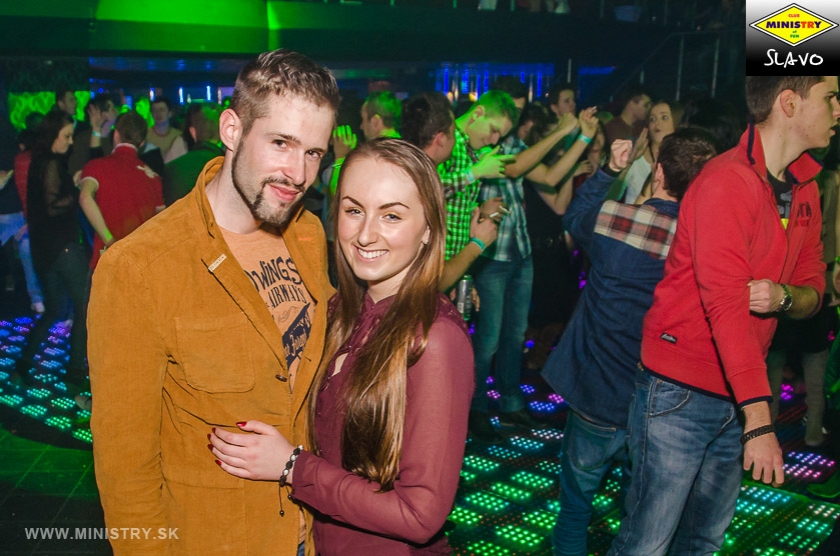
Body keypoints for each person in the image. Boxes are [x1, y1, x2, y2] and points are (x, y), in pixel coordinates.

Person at [88, 49, 339, 555]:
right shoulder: (138, 269)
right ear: (231, 130)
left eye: (314, 153)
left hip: (309, 532)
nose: (298, 173)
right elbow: (125, 474)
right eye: (281, 143)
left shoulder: (307, 234)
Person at [608, 75, 839, 555]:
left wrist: (783, 297)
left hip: (738, 391)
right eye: (830, 97)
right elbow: (727, 307)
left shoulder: (806, 187)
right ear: (789, 103)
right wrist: (760, 420)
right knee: (647, 543)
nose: (839, 110)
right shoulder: (726, 181)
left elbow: (815, 288)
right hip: (680, 392)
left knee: (702, 542)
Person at [210, 138, 474, 555]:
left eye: (391, 215)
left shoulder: (434, 338)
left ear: (428, 229)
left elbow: (420, 515)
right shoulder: (340, 310)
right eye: (354, 211)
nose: (366, 234)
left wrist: (292, 467)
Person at [544, 128, 718, 556]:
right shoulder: (704, 245)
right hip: (657, 402)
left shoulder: (615, 220)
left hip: (595, 390)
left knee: (575, 506)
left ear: (658, 172)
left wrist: (609, 170)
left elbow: (573, 215)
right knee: (638, 513)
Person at [14, 111, 90, 389]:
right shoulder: (51, 163)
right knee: (84, 309)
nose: (70, 142)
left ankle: (23, 366)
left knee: (53, 309)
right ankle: (75, 372)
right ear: (52, 136)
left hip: (44, 250)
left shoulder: (39, 161)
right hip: (63, 248)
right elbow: (52, 206)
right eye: (66, 136)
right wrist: (77, 190)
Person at [78, 110, 164, 270]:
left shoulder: (96, 166)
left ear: (116, 135)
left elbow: (85, 197)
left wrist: (110, 240)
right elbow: (162, 219)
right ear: (142, 143)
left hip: (106, 262)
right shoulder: (153, 176)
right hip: (142, 263)